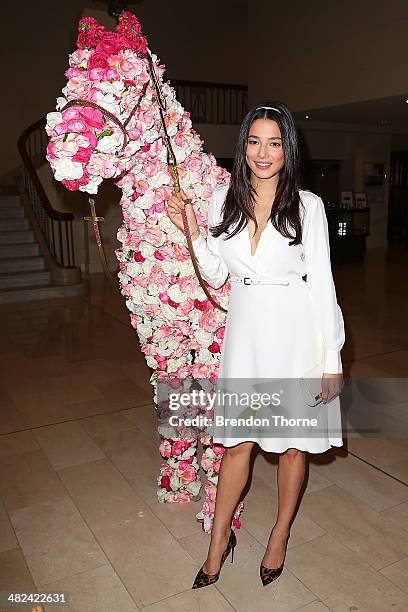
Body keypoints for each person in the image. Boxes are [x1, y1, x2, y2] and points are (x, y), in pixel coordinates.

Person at [166, 102, 345, 588]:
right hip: (245, 340)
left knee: (291, 448)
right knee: (236, 445)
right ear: (242, 146)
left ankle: (279, 535)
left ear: (288, 148)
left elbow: (323, 284)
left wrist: (332, 359)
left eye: (274, 142)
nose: (263, 153)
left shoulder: (308, 206)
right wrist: (193, 234)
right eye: (254, 141)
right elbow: (219, 272)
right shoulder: (223, 201)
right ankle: (218, 541)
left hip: (296, 338)